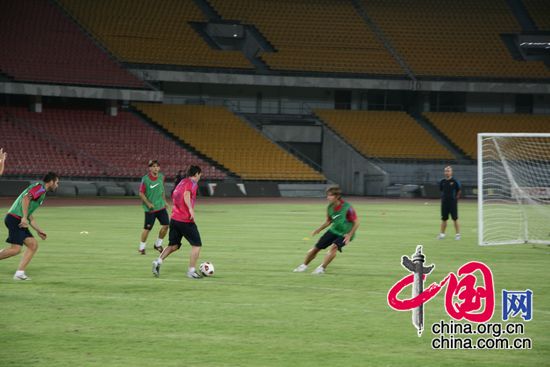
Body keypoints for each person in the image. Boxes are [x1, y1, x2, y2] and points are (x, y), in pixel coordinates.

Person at [0, 172, 59, 280]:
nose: (57, 185)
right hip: (15, 219)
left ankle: (19, 274)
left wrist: (38, 230)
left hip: (17, 218)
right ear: (51, 182)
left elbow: (29, 215)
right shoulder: (40, 189)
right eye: (57, 182)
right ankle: (19, 274)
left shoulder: (41, 191)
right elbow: (26, 199)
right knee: (16, 249)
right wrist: (23, 217)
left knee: (33, 244)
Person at [294, 186, 359, 274]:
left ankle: (321, 268)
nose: (327, 197)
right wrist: (319, 229)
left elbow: (356, 222)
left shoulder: (347, 207)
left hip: (345, 233)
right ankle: (304, 265)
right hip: (334, 230)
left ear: (337, 196)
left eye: (330, 195)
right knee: (316, 248)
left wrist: (349, 235)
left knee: (334, 247)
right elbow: (329, 221)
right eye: (327, 195)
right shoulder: (330, 207)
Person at [152, 165, 203, 279]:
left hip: (175, 219)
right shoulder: (192, 183)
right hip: (185, 220)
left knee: (173, 245)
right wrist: (190, 209)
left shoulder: (181, 182)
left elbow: (175, 195)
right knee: (197, 245)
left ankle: (158, 261)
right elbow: (186, 195)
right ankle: (191, 271)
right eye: (200, 174)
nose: (200, 176)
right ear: (196, 174)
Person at [138, 160, 170, 255]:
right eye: (153, 166)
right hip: (150, 209)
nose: (156, 168)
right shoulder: (145, 179)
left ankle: (158, 244)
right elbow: (141, 193)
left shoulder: (161, 177)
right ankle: (142, 247)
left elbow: (162, 190)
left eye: (157, 166)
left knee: (166, 225)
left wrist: (164, 201)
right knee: (147, 228)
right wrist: (148, 203)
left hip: (160, 207)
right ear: (150, 168)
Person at [438, 166, 461, 240]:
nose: (447, 172)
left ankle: (457, 235)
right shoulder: (442, 181)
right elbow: (441, 190)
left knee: (455, 218)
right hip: (444, 203)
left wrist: (455, 199)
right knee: (444, 219)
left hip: (452, 203)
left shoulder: (455, 181)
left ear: (451, 172)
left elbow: (459, 190)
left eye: (448, 171)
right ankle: (442, 234)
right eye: (446, 171)